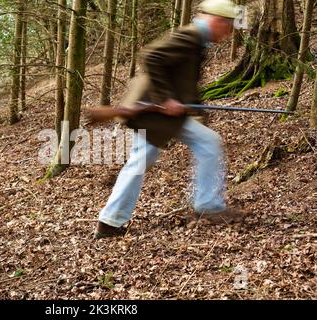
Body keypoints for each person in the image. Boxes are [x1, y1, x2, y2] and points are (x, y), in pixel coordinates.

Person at [94, 0, 247, 239]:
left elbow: (181, 78)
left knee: (203, 144)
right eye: (228, 28)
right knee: (145, 158)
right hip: (153, 111)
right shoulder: (190, 36)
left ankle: (111, 220)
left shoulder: (197, 39)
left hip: (160, 112)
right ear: (218, 21)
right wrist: (165, 98)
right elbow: (151, 56)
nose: (228, 35)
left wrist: (194, 109)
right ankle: (110, 220)